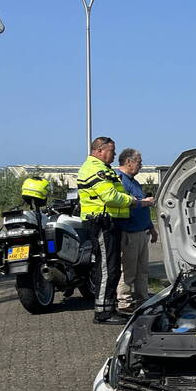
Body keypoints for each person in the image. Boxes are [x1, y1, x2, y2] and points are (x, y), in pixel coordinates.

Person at [77, 137, 153, 325]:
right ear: (100, 150)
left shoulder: (105, 169)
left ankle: (108, 309)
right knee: (106, 269)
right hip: (101, 222)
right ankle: (102, 312)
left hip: (110, 222)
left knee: (111, 269)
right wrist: (135, 202)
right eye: (112, 151)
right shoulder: (94, 169)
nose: (114, 155)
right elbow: (110, 196)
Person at [115, 148, 157, 314]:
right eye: (139, 162)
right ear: (128, 162)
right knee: (129, 270)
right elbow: (128, 203)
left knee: (142, 269)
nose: (141, 165)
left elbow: (141, 207)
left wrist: (151, 228)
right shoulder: (120, 180)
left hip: (141, 231)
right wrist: (144, 202)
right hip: (129, 232)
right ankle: (124, 302)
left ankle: (142, 299)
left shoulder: (134, 182)